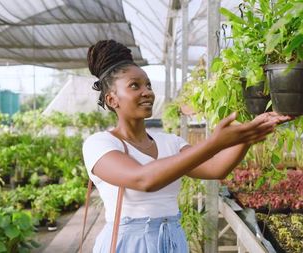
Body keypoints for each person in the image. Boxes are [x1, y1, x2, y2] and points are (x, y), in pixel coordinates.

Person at [82, 40, 292, 253]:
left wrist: (249, 133)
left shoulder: (169, 142)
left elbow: (215, 168)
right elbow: (144, 179)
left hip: (172, 240)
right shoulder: (99, 144)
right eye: (135, 86)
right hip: (130, 244)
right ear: (112, 99)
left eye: (149, 85)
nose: (147, 92)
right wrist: (216, 142)